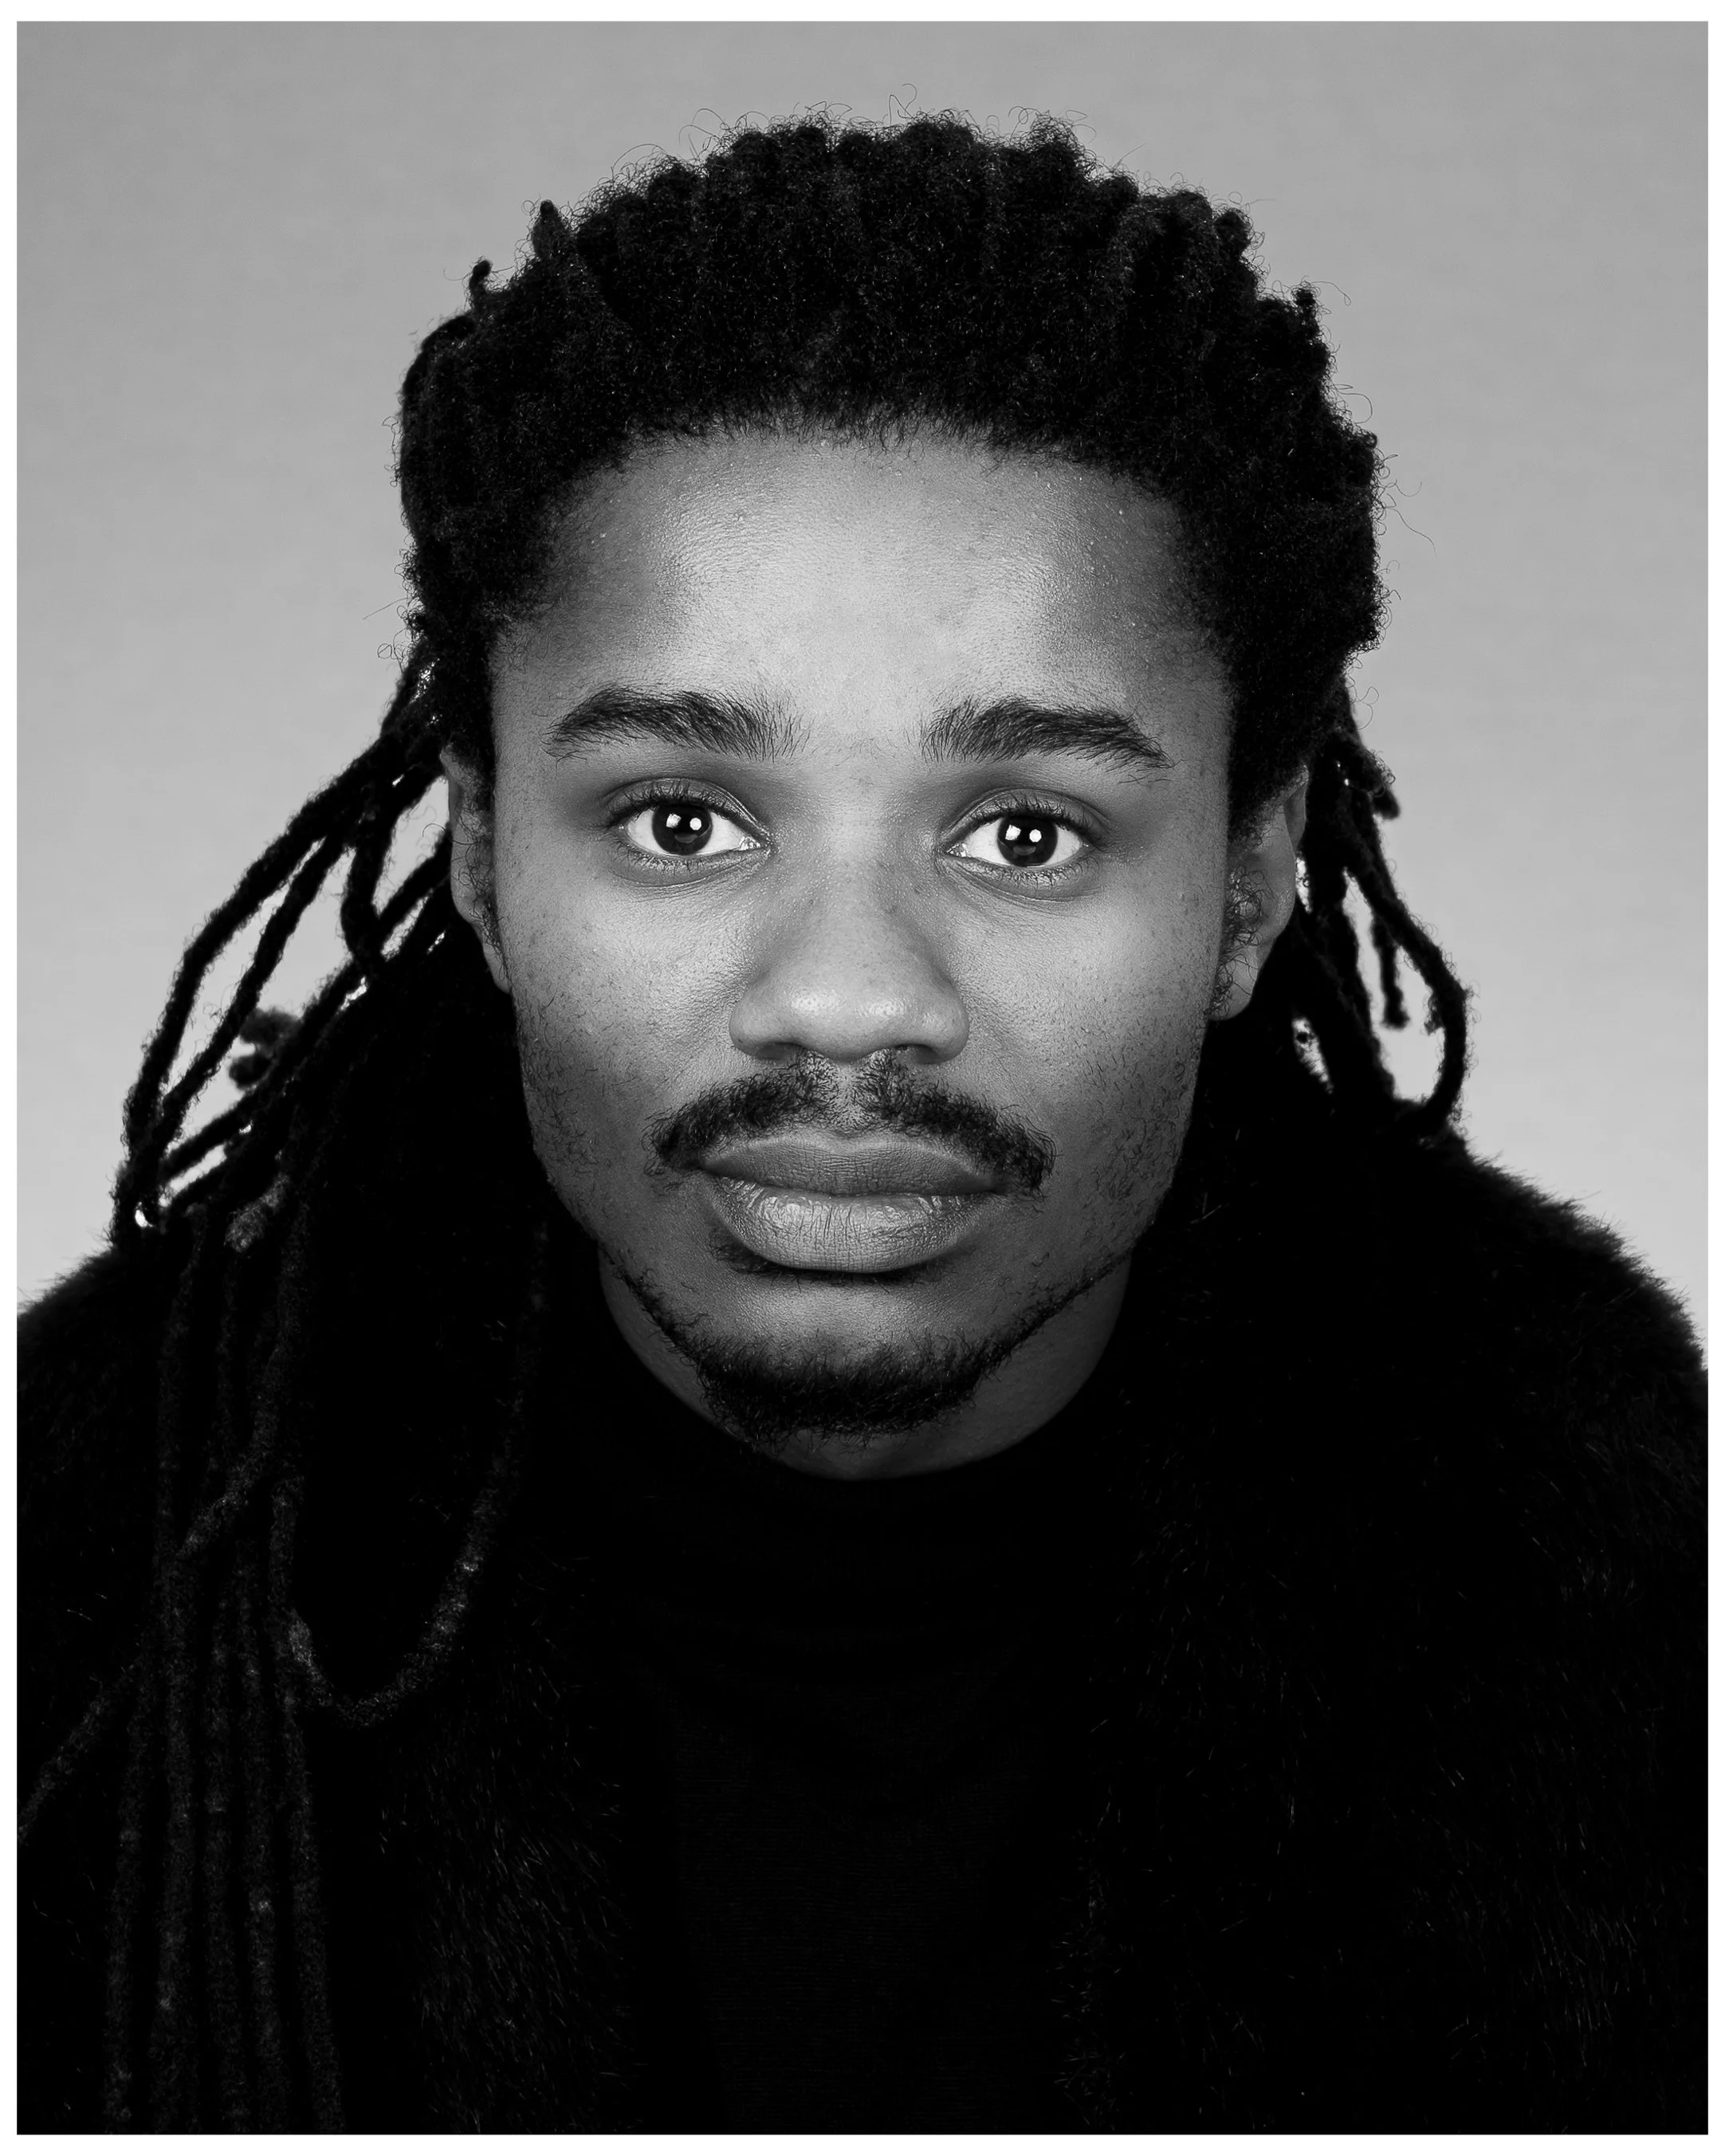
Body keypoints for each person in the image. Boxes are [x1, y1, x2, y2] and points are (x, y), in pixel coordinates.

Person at [19, 112, 1703, 2133]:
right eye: (681, 820)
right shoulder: (84, 1567)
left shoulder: (1622, 1573)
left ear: (1243, 890)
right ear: (479, 857)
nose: (846, 996)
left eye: (1022, 830)